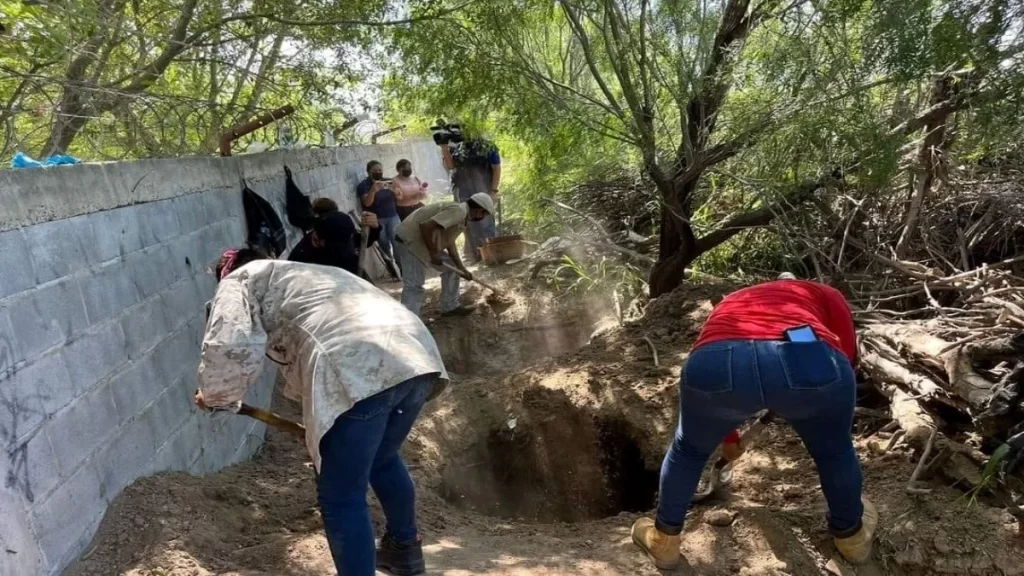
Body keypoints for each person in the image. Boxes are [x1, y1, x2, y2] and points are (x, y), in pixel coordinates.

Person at [195, 249, 448, 576]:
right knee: (383, 459)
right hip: (415, 358)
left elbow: (229, 342)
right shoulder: (308, 275)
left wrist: (215, 394)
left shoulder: (238, 281)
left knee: (342, 497)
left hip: (357, 366)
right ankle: (405, 552)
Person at [631, 276, 876, 570]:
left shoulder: (733, 298)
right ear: (800, 284)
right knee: (835, 451)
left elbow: (733, 365)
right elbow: (847, 354)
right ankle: (852, 539)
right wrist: (803, 397)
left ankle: (664, 543)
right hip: (808, 356)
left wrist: (729, 437)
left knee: (689, 450)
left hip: (717, 360)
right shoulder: (824, 292)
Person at [393, 192, 494, 317]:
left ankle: (449, 307)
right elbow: (426, 226)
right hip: (410, 240)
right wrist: (433, 252)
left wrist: (461, 268)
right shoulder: (459, 211)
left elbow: (449, 243)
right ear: (479, 210)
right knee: (414, 286)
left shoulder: (462, 216)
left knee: (453, 269)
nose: (482, 217)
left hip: (421, 240)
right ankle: (410, 323)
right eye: (484, 213)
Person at [440, 134, 501, 263]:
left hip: (483, 191)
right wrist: (444, 148)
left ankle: (493, 256)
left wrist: (494, 191)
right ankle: (478, 256)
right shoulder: (457, 147)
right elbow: (451, 166)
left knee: (486, 224)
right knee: (470, 225)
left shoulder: (487, 146)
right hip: (464, 192)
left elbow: (496, 168)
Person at [288, 211, 380, 277]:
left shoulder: (339, 233)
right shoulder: (301, 263)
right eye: (339, 247)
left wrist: (375, 228)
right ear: (318, 240)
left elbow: (362, 242)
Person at [357, 161, 401, 269]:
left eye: (380, 170)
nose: (378, 173)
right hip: (377, 220)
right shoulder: (364, 185)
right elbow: (367, 203)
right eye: (375, 171)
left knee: (397, 242)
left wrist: (395, 190)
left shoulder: (388, 181)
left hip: (392, 216)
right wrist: (373, 191)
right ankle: (392, 269)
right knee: (384, 244)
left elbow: (400, 197)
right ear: (369, 172)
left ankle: (401, 267)